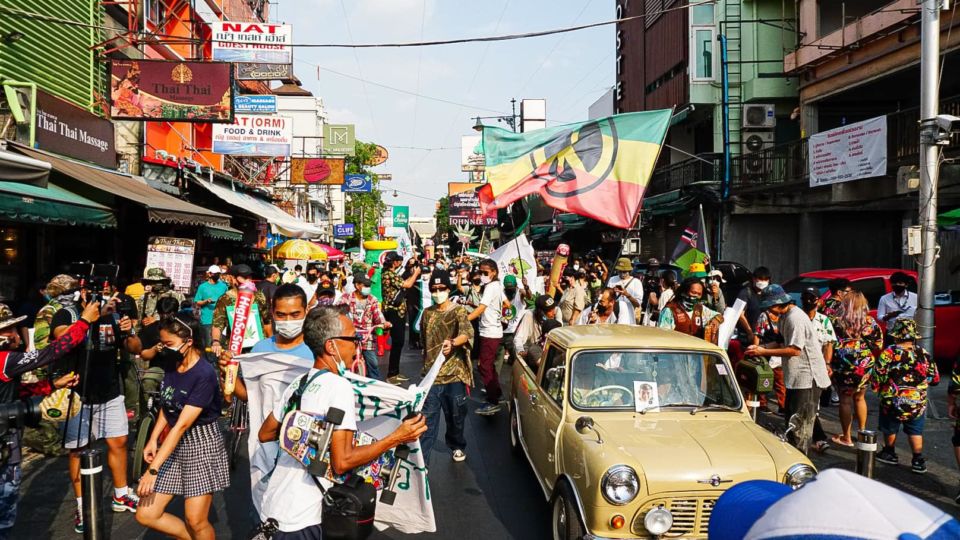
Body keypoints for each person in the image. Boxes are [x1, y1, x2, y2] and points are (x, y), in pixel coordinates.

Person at [256, 306, 427, 538]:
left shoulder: (298, 383)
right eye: (353, 339)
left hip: (275, 506)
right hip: (306, 517)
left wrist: (302, 438)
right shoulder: (339, 387)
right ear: (331, 346)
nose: (356, 345)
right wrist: (397, 438)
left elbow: (266, 433)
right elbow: (342, 461)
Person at [0, 301, 100, 540]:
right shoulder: (5, 359)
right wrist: (84, 321)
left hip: (8, 437)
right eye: (8, 329)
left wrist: (53, 385)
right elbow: (51, 352)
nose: (15, 334)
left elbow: (18, 391)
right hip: (5, 440)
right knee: (5, 502)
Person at [51, 285, 143, 532]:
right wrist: (88, 318)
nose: (105, 298)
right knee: (77, 450)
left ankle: (121, 494)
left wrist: (129, 330)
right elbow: (60, 338)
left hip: (110, 390)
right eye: (96, 292)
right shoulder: (68, 314)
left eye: (107, 292)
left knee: (119, 441)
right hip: (77, 393)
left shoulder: (114, 317)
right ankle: (83, 505)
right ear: (83, 294)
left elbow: (135, 348)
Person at [135, 317, 229, 539]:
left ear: (188, 341)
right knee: (146, 513)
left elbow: (182, 425)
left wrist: (153, 470)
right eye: (162, 343)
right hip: (174, 443)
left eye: (168, 344)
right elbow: (167, 405)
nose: (163, 349)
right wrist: (152, 439)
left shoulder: (204, 374)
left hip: (201, 443)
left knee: (196, 520)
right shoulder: (172, 363)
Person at [745, 285, 831, 455]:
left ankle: (800, 461)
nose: (769, 311)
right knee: (792, 419)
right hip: (795, 377)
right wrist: (759, 347)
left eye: (770, 307)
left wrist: (763, 351)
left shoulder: (795, 318)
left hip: (808, 378)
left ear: (778, 304)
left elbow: (794, 349)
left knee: (800, 424)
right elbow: (779, 341)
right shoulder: (784, 316)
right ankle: (793, 455)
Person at [420, 269, 474, 464]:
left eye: (441, 288)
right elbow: (423, 342)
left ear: (448, 289)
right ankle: (422, 462)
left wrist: (453, 342)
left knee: (456, 416)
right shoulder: (427, 313)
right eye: (433, 289)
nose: (437, 292)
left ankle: (457, 445)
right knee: (427, 419)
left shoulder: (458, 311)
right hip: (432, 375)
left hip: (454, 374)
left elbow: (467, 332)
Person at [871, 318, 939, 473]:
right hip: (916, 403)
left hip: (892, 401)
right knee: (915, 430)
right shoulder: (923, 353)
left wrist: (877, 388)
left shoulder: (889, 353)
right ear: (914, 336)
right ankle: (918, 459)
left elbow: (878, 376)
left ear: (896, 336)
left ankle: (889, 452)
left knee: (890, 428)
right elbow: (934, 378)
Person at [831, 291, 883, 447]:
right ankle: (862, 432)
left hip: (842, 364)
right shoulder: (869, 322)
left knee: (845, 400)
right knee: (860, 398)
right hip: (863, 364)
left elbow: (828, 342)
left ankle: (847, 437)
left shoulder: (836, 321)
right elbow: (877, 345)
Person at [800, 288, 838, 452]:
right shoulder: (797, 318)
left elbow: (829, 343)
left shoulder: (824, 321)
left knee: (813, 405)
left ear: (818, 301)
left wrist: (827, 364)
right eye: (806, 297)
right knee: (801, 402)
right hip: (799, 367)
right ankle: (813, 437)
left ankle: (816, 437)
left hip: (818, 367)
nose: (809, 301)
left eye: (812, 298)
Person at [210, 264, 272, 358]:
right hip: (235, 351)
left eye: (249, 277)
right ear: (233, 279)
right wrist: (216, 342)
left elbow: (267, 321)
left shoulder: (259, 297)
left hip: (258, 350)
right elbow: (217, 325)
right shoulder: (225, 299)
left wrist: (270, 343)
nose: (248, 280)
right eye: (244, 277)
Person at [469, 259, 505, 416]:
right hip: (494, 331)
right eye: (481, 272)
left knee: (484, 366)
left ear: (494, 272)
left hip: (490, 332)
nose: (482, 275)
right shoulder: (496, 286)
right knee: (488, 366)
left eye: (485, 273)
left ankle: (492, 402)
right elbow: (507, 304)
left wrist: (465, 319)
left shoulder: (491, 287)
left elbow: (482, 307)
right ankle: (495, 393)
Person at [336, 275, 389, 379]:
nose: (368, 288)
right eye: (365, 285)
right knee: (343, 363)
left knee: (373, 364)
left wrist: (383, 323)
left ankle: (374, 390)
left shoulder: (372, 299)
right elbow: (338, 312)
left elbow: (378, 315)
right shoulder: (346, 298)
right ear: (357, 285)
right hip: (349, 336)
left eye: (369, 285)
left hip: (367, 336)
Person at [381, 252, 421, 385]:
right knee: (397, 342)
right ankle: (391, 374)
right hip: (394, 312)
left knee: (399, 343)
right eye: (398, 260)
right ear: (393, 262)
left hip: (398, 311)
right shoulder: (389, 274)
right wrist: (415, 273)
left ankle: (395, 372)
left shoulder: (390, 274)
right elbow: (407, 285)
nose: (400, 262)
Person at [514, 295, 560, 364]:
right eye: (550, 310)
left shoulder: (557, 312)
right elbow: (519, 338)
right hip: (535, 351)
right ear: (541, 312)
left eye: (554, 308)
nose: (553, 312)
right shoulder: (529, 315)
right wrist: (521, 351)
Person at [193, 265, 228, 349]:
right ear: (209, 274)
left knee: (221, 345)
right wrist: (206, 301)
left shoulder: (224, 286)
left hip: (221, 321)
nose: (217, 275)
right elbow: (197, 302)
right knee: (209, 345)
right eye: (215, 273)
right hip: (207, 320)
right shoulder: (203, 287)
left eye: (218, 274)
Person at [606, 257, 641, 325]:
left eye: (624, 271)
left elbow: (637, 304)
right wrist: (612, 292)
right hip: (612, 316)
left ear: (629, 271)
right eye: (620, 271)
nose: (622, 273)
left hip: (628, 317)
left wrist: (627, 295)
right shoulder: (611, 280)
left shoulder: (636, 282)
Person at [737, 266, 772, 333]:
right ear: (754, 279)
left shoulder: (770, 293)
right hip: (750, 334)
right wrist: (749, 332)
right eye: (760, 279)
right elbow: (740, 314)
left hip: (767, 335)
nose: (763, 282)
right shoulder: (745, 293)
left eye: (766, 280)